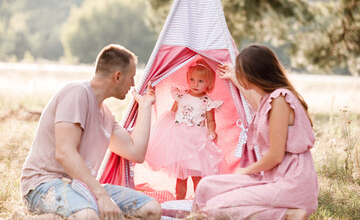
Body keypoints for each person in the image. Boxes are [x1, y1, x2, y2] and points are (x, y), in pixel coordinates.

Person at [20, 44, 161, 220]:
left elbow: (136, 152)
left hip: (81, 187)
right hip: (42, 185)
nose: (133, 84)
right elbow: (64, 153)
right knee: (89, 215)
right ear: (118, 76)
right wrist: (102, 196)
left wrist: (146, 105)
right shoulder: (76, 93)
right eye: (132, 77)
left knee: (151, 209)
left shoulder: (106, 114)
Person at [192, 44, 319, 220]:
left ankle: (289, 214)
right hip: (272, 176)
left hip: (290, 182)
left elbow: (275, 156)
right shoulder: (270, 99)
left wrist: (245, 171)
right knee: (206, 186)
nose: (238, 72)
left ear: (252, 74)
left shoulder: (280, 99)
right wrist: (233, 77)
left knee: (215, 208)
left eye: (240, 70)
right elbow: (256, 104)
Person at [144, 59, 227, 200]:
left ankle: (198, 201)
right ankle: (179, 200)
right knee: (181, 175)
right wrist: (167, 127)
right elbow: (172, 113)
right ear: (187, 78)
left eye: (201, 81)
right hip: (179, 140)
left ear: (209, 83)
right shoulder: (181, 95)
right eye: (192, 79)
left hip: (196, 142)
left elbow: (211, 120)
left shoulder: (207, 102)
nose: (195, 84)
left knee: (196, 175)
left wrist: (212, 131)